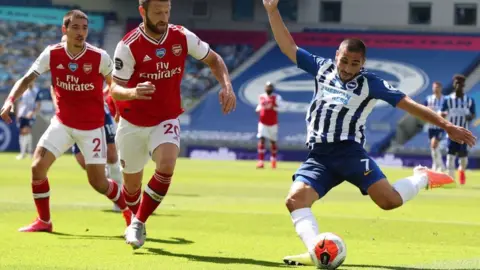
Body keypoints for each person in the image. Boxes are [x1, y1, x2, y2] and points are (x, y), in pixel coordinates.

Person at [262, 0, 476, 266]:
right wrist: (272, 11)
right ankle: (315, 252)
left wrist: (447, 126)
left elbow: (409, 105)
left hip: (349, 153)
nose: (348, 68)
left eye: (355, 63)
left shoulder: (370, 83)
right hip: (319, 156)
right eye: (344, 61)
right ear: (336, 56)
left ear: (363, 63)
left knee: (389, 202)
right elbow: (288, 47)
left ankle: (422, 177)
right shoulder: (321, 69)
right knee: (295, 200)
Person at [110, 0, 236, 249]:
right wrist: (134, 92)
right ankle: (135, 219)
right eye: (157, 12)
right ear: (142, 11)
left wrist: (226, 86)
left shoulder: (182, 36)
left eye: (166, 11)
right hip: (132, 122)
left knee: (166, 165)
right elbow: (114, 89)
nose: (163, 17)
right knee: (131, 188)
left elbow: (214, 59)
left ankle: (138, 222)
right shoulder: (128, 45)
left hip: (166, 118)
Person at [0, 10, 132, 233]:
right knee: (37, 167)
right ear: (65, 30)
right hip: (62, 124)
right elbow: (27, 78)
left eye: (84, 28)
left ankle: (130, 214)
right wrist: (10, 100)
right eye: (76, 28)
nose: (81, 32)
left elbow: (115, 86)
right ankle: (44, 221)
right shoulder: (52, 54)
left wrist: (119, 108)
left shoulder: (100, 56)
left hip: (92, 128)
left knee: (98, 183)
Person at [53, 35, 125, 212]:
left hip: (99, 114)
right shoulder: (58, 65)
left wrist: (117, 108)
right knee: (82, 162)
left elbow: (112, 82)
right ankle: (109, 180)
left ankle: (122, 197)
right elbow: (54, 91)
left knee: (112, 154)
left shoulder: (93, 59)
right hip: (74, 119)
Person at [441, 75, 476, 185]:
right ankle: (451, 179)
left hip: (463, 133)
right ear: (453, 84)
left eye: (460, 83)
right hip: (451, 133)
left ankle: (461, 170)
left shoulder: (469, 100)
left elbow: (473, 114)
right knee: (450, 156)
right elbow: (441, 113)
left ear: (464, 85)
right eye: (456, 83)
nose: (458, 85)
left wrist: (469, 117)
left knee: (463, 159)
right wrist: (443, 114)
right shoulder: (447, 100)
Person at [256, 81, 281, 169]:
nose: (268, 88)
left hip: (273, 123)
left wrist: (272, 106)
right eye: (267, 87)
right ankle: (261, 161)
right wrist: (258, 109)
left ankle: (273, 160)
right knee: (262, 139)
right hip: (262, 122)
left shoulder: (276, 97)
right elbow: (259, 106)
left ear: (272, 88)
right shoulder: (261, 97)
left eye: (270, 87)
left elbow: (280, 108)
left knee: (272, 141)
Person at [424, 82, 446, 171]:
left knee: (434, 144)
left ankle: (436, 166)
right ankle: (440, 166)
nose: (435, 89)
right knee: (434, 147)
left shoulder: (445, 100)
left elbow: (449, 110)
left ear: (441, 88)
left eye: (437, 87)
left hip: (440, 126)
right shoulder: (429, 99)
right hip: (430, 126)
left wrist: (444, 114)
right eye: (434, 87)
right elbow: (423, 110)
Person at [15, 82, 40, 160]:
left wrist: (33, 113)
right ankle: (27, 153)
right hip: (22, 114)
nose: (29, 83)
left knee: (26, 131)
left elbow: (38, 104)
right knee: (22, 133)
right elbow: (20, 103)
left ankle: (25, 153)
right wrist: (18, 114)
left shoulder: (36, 91)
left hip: (30, 114)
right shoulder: (24, 91)